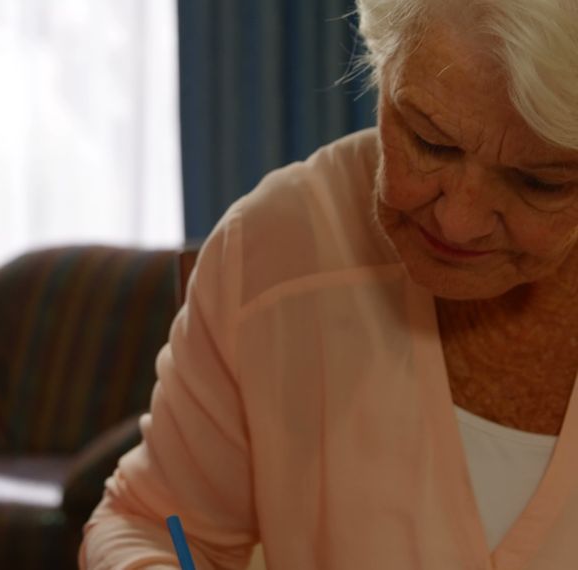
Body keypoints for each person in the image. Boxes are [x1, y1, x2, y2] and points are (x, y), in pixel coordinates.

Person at [81, 0, 578, 568]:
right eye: (431, 142)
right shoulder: (277, 247)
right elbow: (151, 524)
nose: (458, 221)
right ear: (381, 66)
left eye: (539, 182)